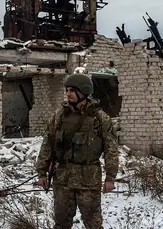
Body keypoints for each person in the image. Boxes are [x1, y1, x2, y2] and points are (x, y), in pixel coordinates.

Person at [35, 73, 119, 229]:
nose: (68, 94)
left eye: (72, 90)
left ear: (84, 91)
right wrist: (42, 172)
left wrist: (110, 177)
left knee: (93, 223)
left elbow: (111, 149)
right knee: (61, 223)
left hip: (88, 179)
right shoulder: (59, 116)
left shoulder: (100, 119)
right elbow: (47, 143)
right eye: (67, 90)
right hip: (62, 179)